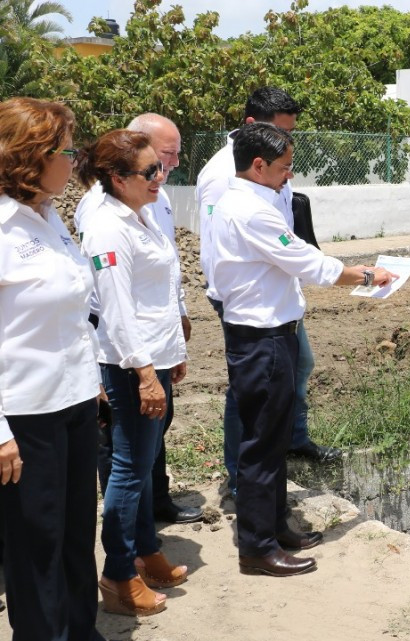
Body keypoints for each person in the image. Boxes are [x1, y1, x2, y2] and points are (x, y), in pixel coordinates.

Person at [211, 123, 395, 577]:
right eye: (284, 167)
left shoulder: (249, 201)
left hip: (274, 334)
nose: (289, 176)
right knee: (261, 444)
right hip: (262, 340)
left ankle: (275, 527)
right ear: (259, 166)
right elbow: (307, 262)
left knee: (274, 440)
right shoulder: (250, 210)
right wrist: (366, 275)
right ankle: (257, 548)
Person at [196, 88, 340, 502]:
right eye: (280, 131)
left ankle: (290, 440)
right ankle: (241, 476)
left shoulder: (271, 163)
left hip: (277, 285)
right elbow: (217, 242)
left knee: (297, 365)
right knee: (250, 387)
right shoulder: (223, 174)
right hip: (245, 296)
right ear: (252, 127)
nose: (286, 142)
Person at [0, 97, 106, 640]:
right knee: (35, 546)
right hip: (25, 415)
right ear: (31, 157)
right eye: (67, 150)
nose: (76, 159)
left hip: (75, 401)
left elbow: (74, 311)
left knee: (75, 536)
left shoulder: (50, 218)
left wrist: (95, 382)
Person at [77, 129, 189, 616]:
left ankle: (146, 550)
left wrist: (173, 351)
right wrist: (145, 373)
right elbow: (117, 309)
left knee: (143, 464)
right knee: (128, 468)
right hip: (129, 365)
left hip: (154, 357)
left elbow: (156, 294)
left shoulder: (140, 214)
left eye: (158, 167)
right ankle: (118, 574)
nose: (159, 176)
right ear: (118, 178)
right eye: (149, 170)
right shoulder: (107, 226)